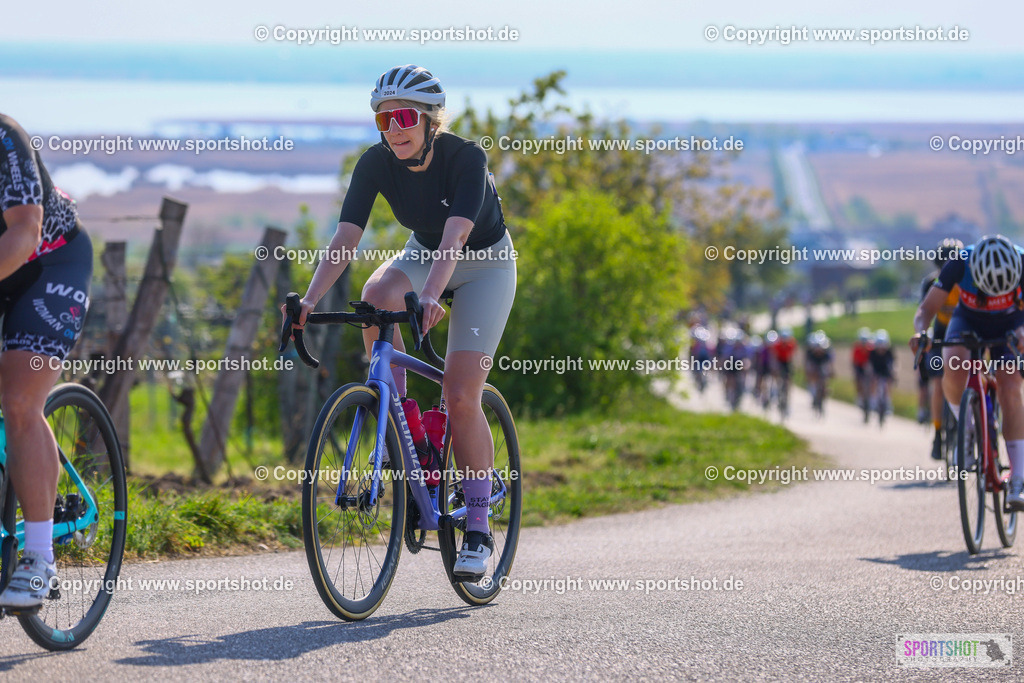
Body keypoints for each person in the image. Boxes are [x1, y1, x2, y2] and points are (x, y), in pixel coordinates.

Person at [286, 66, 517, 578]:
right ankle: (403, 427)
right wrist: (308, 299)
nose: (394, 129)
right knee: (376, 295)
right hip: (423, 252)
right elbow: (345, 239)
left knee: (460, 396)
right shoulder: (376, 162)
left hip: (484, 266)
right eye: (383, 120)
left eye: (405, 117)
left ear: (432, 120)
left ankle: (478, 525)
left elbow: (455, 238)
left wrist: (433, 295)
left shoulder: (466, 158)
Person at [0, 115, 94, 609]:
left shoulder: (4, 137)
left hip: (48, 265)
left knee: (18, 400)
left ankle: (38, 559)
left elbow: (24, 231)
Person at [912, 234, 1024, 510]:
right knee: (952, 365)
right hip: (968, 319)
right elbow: (926, 309)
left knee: (1011, 388)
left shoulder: (1023, 262)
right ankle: (968, 426)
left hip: (1012, 322)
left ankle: (1019, 478)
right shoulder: (959, 263)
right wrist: (921, 332)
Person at [918, 238, 964, 457]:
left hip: (964, 336)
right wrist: (922, 334)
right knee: (937, 383)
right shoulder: (931, 284)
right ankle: (938, 432)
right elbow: (924, 311)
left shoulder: (967, 281)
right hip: (939, 337)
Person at [804, 330, 834, 411]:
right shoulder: (811, 353)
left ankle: (824, 390)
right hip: (814, 362)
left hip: (822, 362)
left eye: (821, 348)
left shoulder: (827, 353)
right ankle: (813, 392)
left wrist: (831, 371)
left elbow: (829, 363)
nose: (819, 350)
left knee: (825, 376)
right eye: (817, 348)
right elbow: (808, 364)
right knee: (813, 375)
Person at [868, 329, 895, 415]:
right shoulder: (872, 352)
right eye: (879, 346)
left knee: (888, 383)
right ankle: (873, 401)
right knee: (874, 381)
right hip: (876, 369)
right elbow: (869, 364)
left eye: (883, 347)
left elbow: (893, 364)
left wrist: (893, 372)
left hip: (885, 369)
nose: (881, 349)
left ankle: (887, 402)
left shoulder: (889, 352)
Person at [851, 327, 873, 410]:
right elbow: (854, 360)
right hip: (859, 366)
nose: (864, 343)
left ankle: (871, 398)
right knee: (858, 380)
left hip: (868, 366)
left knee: (872, 380)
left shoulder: (871, 348)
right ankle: (859, 396)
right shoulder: (856, 348)